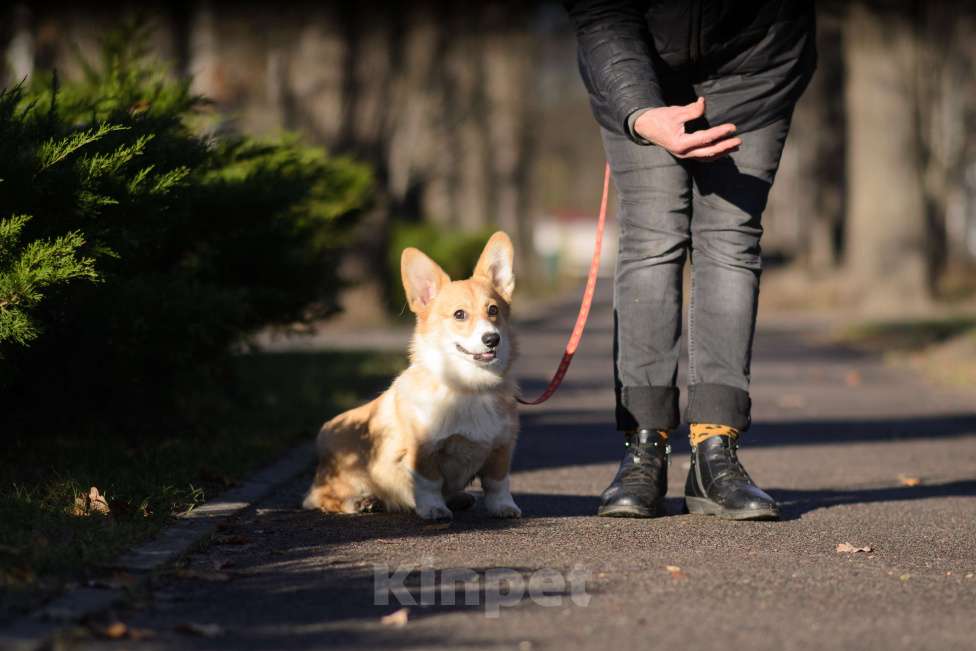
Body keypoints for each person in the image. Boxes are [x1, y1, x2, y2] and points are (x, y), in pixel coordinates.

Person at [565, 0, 817, 520]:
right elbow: (601, 15)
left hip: (757, 64)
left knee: (730, 235)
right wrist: (639, 112)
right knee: (652, 235)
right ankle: (645, 448)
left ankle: (714, 452)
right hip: (637, 71)